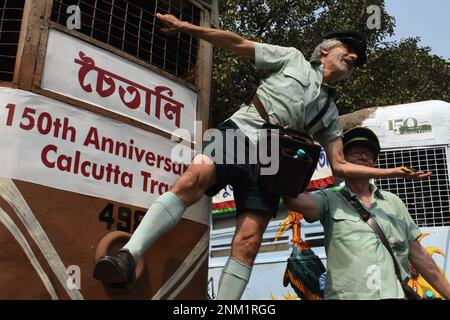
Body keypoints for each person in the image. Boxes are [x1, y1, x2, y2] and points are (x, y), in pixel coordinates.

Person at [92, 13, 431, 299]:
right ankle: (127, 256)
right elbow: (235, 42)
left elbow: (341, 166)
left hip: (273, 161)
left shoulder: (330, 114)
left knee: (249, 241)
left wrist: (392, 174)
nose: (354, 57)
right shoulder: (292, 59)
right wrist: (185, 26)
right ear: (325, 50)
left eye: (358, 58)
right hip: (239, 131)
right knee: (192, 180)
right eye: (349, 49)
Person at [284, 126, 450, 299]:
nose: (363, 156)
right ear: (341, 162)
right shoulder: (328, 199)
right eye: (355, 152)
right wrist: (289, 156)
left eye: (369, 154)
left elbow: (420, 256)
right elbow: (292, 200)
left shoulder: (394, 202)